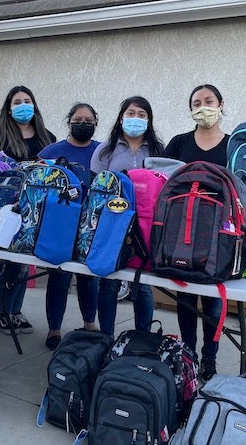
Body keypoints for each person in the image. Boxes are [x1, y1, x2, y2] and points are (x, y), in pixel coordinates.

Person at [163, 84, 228, 382]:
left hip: (218, 233)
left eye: (209, 101)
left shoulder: (232, 144)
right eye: (196, 102)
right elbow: (164, 181)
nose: (203, 106)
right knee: (185, 296)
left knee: (213, 298)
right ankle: (188, 354)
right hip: (181, 231)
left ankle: (209, 358)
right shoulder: (178, 143)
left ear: (221, 104)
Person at [0, 85, 56, 334]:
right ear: (9, 108)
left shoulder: (48, 137)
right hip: (7, 208)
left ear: (34, 105)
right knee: (12, 260)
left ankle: (16, 310)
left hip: (38, 208)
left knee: (24, 263)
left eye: (27, 100)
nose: (23, 105)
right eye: (17, 102)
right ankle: (5, 312)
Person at [90, 96, 164, 336]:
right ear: (121, 118)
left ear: (149, 121)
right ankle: (106, 337)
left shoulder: (157, 150)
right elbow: (96, 188)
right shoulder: (105, 149)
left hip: (145, 227)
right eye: (130, 113)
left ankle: (142, 337)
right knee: (109, 283)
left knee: (142, 286)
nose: (135, 119)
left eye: (141, 115)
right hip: (113, 224)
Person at [38, 103, 100, 350]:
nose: (83, 124)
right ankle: (54, 329)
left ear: (96, 122)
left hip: (92, 225)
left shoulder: (102, 152)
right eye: (78, 119)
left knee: (89, 278)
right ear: (69, 121)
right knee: (59, 277)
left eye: (88, 120)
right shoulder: (52, 151)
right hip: (60, 225)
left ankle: (89, 324)